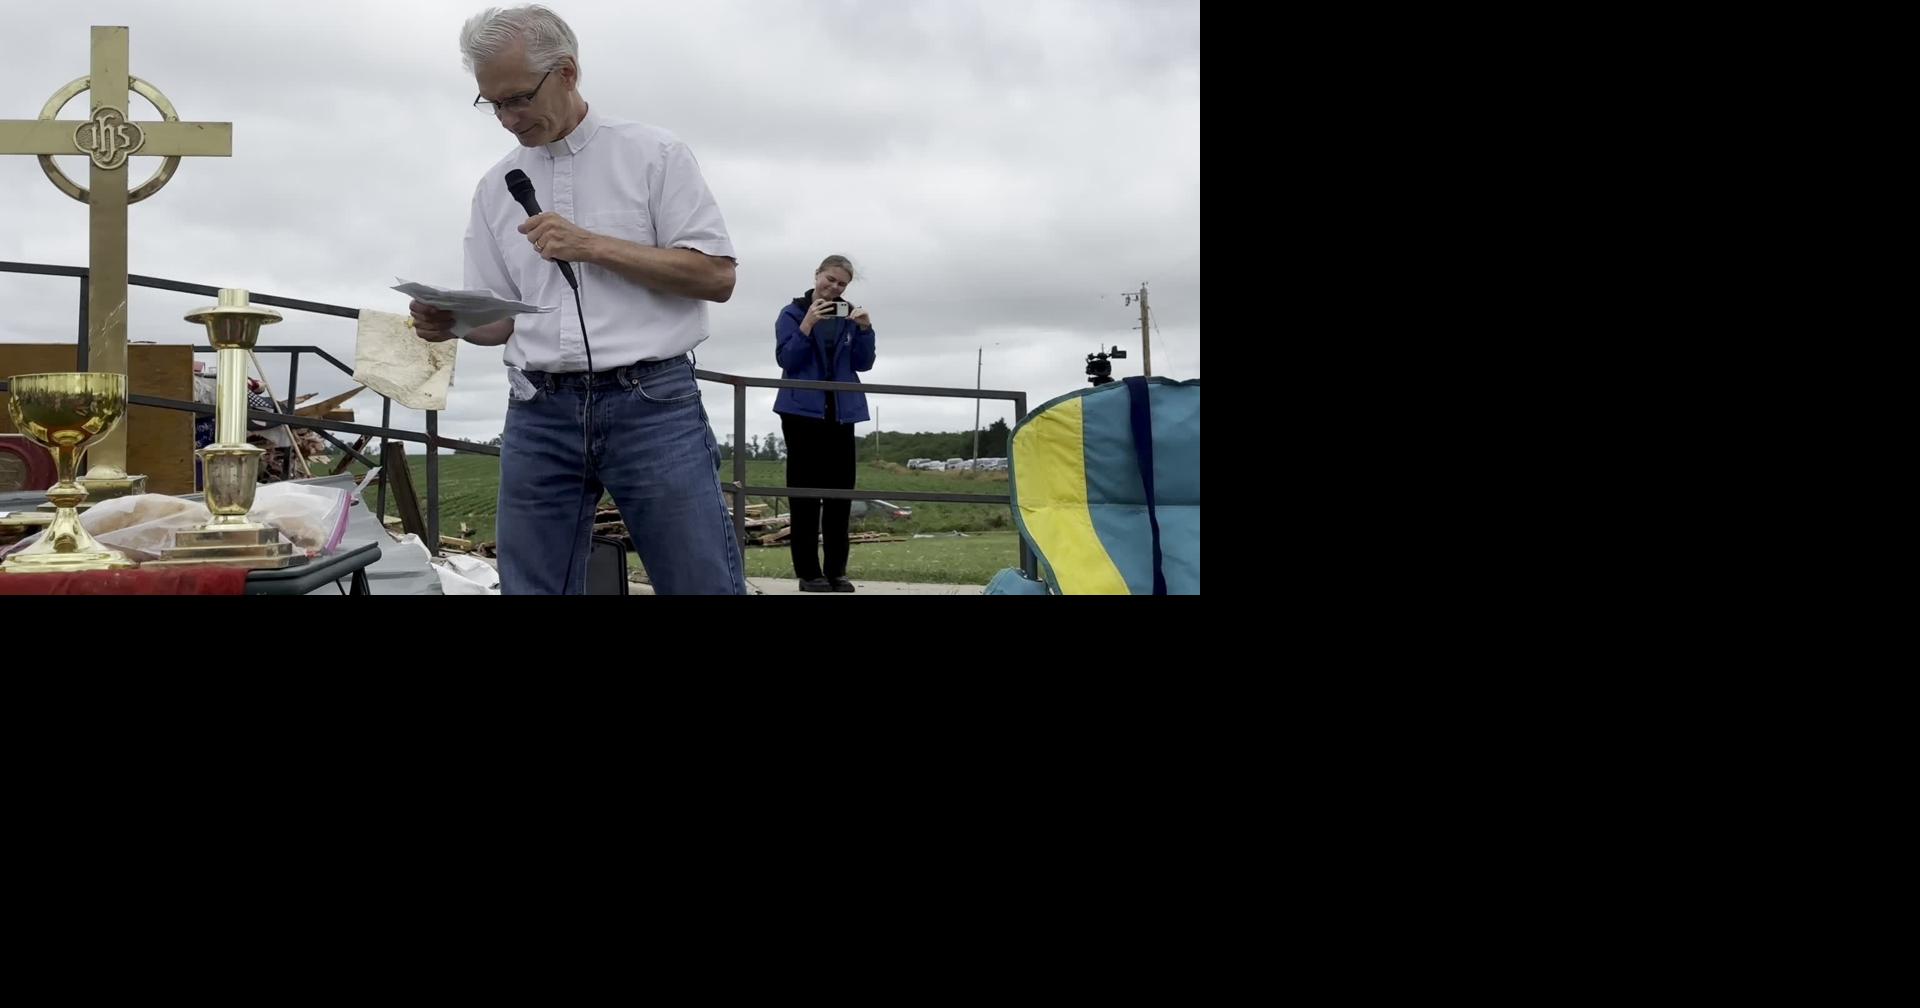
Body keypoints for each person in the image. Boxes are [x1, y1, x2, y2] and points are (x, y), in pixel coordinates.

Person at [409, 4, 746, 594]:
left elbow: (717, 277)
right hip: (539, 411)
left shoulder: (655, 155)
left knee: (700, 583)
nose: (508, 119)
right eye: (493, 103)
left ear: (567, 72)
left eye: (517, 98)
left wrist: (594, 245)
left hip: (652, 405)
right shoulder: (495, 187)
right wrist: (454, 321)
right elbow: (500, 322)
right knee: (530, 589)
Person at [773, 255, 876, 592]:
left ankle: (836, 572)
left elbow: (864, 363)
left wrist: (865, 330)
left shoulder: (848, 315)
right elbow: (788, 360)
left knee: (839, 496)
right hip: (802, 413)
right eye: (830, 280)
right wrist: (807, 324)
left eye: (842, 284)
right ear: (817, 275)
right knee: (803, 497)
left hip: (841, 413)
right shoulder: (791, 313)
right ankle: (808, 573)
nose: (834, 288)